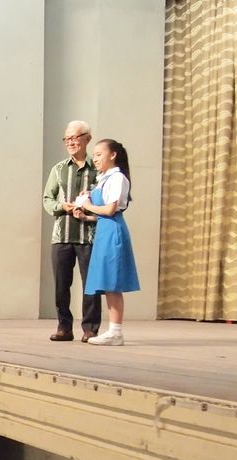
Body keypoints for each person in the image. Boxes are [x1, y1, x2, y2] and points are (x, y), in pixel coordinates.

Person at [43, 120, 102, 342]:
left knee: (91, 285)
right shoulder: (58, 169)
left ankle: (90, 329)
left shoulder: (98, 169)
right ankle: (64, 327)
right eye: (67, 139)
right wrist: (62, 206)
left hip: (90, 236)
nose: (70, 142)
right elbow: (47, 199)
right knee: (61, 285)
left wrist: (89, 206)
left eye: (75, 137)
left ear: (87, 138)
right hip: (62, 236)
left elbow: (106, 199)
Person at [78, 139, 140, 346]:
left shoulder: (117, 178)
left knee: (113, 282)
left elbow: (110, 210)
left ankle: (116, 332)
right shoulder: (104, 179)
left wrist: (87, 204)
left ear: (113, 155)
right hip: (104, 231)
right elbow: (103, 214)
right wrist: (86, 215)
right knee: (107, 282)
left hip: (113, 232)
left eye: (99, 154)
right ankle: (113, 330)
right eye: (94, 155)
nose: (95, 159)